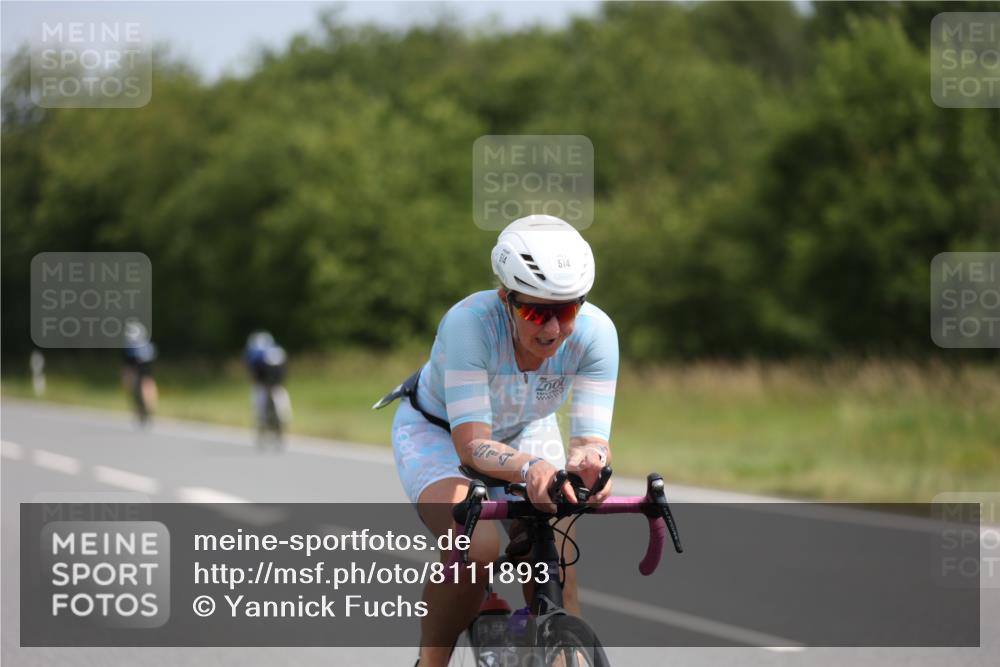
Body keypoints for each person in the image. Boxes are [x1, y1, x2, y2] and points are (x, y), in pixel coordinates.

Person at [381, 214, 618, 667]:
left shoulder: (597, 334)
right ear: (505, 298)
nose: (551, 330)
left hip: (527, 430)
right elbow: (471, 447)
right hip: (439, 433)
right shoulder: (469, 323)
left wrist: (592, 464)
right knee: (478, 546)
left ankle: (556, 654)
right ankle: (430, 663)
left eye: (566, 310)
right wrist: (530, 469)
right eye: (534, 311)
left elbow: (591, 440)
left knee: (558, 546)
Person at [243, 331, 292, 442]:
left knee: (260, 403)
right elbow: (283, 372)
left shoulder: (255, 354)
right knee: (280, 398)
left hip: (266, 384)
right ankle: (281, 419)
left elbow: (253, 375)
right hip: (274, 383)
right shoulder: (277, 352)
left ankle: (262, 422)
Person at [121, 319, 158, 425]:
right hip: (139, 366)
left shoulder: (137, 346)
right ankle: (144, 410)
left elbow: (127, 367)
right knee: (145, 384)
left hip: (140, 366)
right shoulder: (147, 345)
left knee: (144, 385)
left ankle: (144, 410)